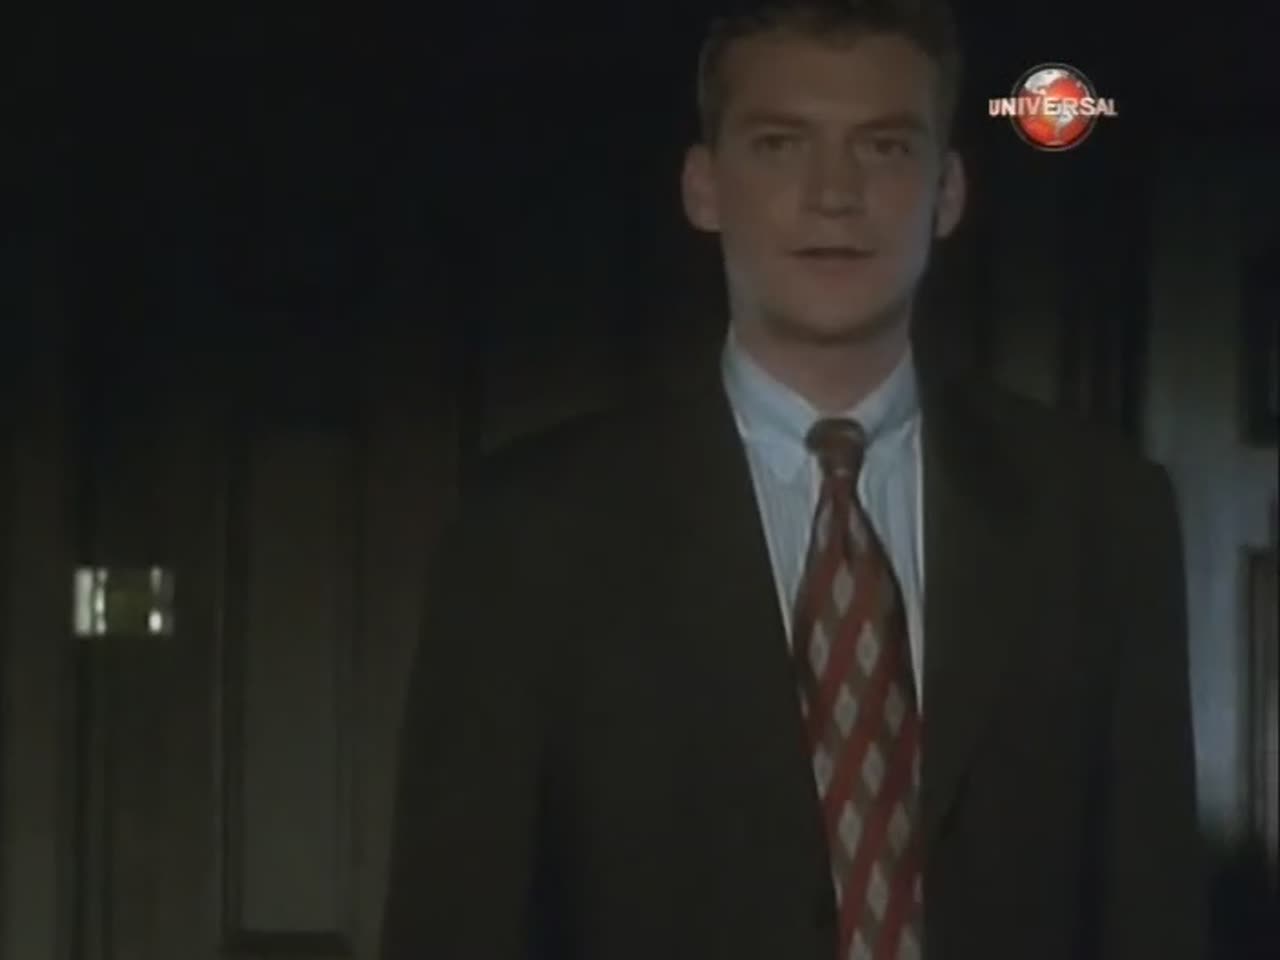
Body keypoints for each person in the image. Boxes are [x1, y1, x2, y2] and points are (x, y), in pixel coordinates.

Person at [379, 1, 1207, 957]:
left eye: (884, 148)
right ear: (703, 187)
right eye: (780, 145)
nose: (834, 195)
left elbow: (1152, 916)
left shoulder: (1102, 515)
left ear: (946, 192)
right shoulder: (528, 533)